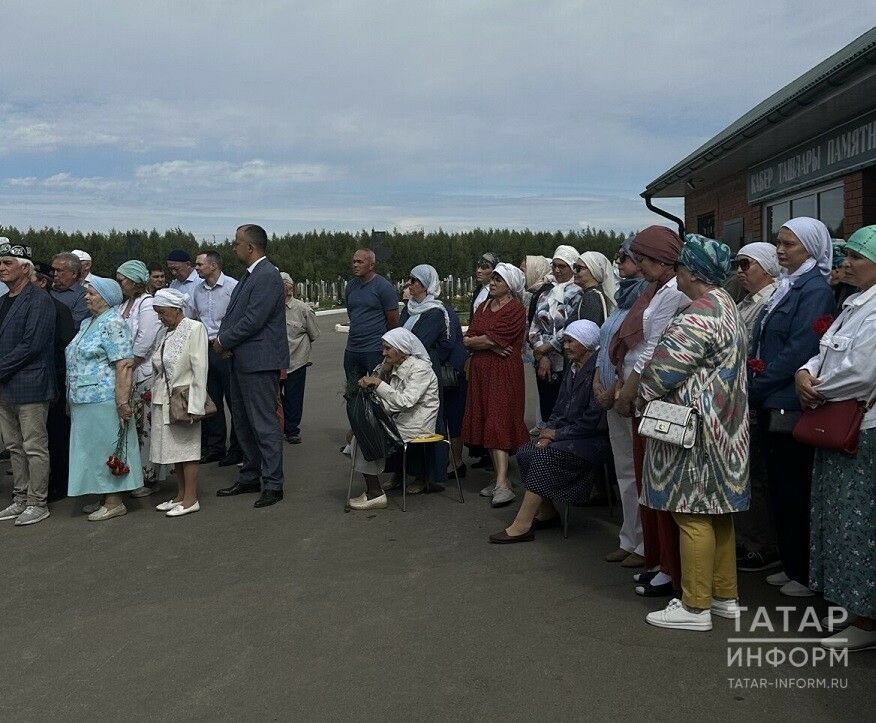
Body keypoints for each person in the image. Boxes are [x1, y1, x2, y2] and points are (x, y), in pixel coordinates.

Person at [638, 235, 750, 632]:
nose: (677, 275)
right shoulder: (729, 307)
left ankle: (695, 605)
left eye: (681, 269)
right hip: (726, 426)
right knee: (718, 513)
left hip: (695, 429)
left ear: (691, 272)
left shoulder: (697, 315)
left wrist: (641, 397)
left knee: (690, 513)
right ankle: (724, 596)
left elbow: (662, 371)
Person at [795, 225, 876, 651]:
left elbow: (863, 373)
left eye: (857, 257)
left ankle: (866, 621)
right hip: (839, 427)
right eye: (846, 256)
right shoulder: (853, 305)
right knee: (840, 522)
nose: (847, 264)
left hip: (862, 433)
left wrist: (816, 389)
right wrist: (805, 372)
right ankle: (854, 608)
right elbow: (824, 350)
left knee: (859, 526)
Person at [749, 217, 836, 597]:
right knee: (778, 486)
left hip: (788, 403)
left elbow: (799, 349)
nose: (781, 250)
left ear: (811, 249)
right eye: (779, 243)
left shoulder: (815, 290)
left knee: (793, 486)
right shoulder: (790, 286)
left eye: (789, 244)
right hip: (772, 398)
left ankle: (803, 571)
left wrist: (755, 386)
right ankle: (790, 562)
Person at [612, 225, 689, 597]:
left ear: (662, 259)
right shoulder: (655, 289)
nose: (638, 266)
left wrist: (629, 389)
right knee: (647, 482)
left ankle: (671, 566)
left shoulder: (675, 293)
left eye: (642, 259)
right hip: (642, 395)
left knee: (661, 482)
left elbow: (655, 348)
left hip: (656, 396)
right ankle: (657, 560)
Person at [489, 320, 610, 543]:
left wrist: (555, 435)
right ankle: (547, 512)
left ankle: (522, 524)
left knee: (544, 456)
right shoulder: (573, 369)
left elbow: (593, 420)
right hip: (567, 433)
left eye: (570, 341)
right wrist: (548, 430)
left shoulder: (597, 372)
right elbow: (559, 407)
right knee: (526, 450)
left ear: (586, 344)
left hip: (591, 439)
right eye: (564, 341)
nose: (565, 346)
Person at [214, 224, 289, 508]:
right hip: (242, 360)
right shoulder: (250, 276)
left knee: (263, 424)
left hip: (258, 362)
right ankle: (250, 475)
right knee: (243, 424)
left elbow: (254, 319)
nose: (233, 247)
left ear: (251, 247)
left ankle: (273, 483)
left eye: (236, 243)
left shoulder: (268, 275)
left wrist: (223, 341)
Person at [66, 277, 143, 521]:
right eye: (86, 293)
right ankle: (102, 494)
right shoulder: (88, 322)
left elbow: (124, 364)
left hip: (104, 397)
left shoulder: (113, 323)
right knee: (91, 449)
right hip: (83, 398)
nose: (87, 297)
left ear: (107, 298)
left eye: (92, 293)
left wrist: (122, 402)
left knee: (108, 446)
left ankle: (114, 500)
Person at [594, 236, 649, 567]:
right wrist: (597, 383)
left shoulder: (647, 301)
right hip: (609, 395)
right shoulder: (621, 302)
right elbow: (605, 347)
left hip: (628, 396)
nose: (619, 263)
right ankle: (629, 537)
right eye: (618, 258)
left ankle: (643, 543)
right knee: (624, 471)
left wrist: (616, 388)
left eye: (625, 258)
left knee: (638, 471)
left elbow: (640, 353)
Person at [347, 328, 440, 510]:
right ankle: (374, 490)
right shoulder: (395, 367)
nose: (383, 353)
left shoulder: (420, 370)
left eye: (388, 349)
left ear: (402, 349)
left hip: (417, 425)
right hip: (399, 421)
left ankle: (375, 493)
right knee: (359, 436)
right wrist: (382, 374)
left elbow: (405, 401)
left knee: (364, 439)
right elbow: (385, 402)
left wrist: (379, 383)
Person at [463, 262, 529, 507]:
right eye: (492, 279)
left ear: (509, 285)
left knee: (498, 420)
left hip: (503, 373)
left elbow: (493, 337)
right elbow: (468, 338)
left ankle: (503, 483)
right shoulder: (483, 306)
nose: (492, 283)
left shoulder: (515, 309)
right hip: (482, 372)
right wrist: (488, 343)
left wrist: (485, 341)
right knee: (486, 419)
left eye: (498, 280)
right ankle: (498, 476)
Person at [732, 242, 781, 573]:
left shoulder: (771, 301)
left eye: (745, 264)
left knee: (756, 474)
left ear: (765, 267)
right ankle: (748, 537)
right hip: (739, 395)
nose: (739, 270)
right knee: (743, 472)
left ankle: (762, 545)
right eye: (737, 264)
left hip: (757, 396)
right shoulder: (745, 301)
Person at [0, 243, 56, 526]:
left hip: (30, 383)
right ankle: (20, 498)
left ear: (25, 267)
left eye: (7, 262)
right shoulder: (4, 299)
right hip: (6, 385)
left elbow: (31, 345)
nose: (1, 267)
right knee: (13, 445)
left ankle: (37, 502)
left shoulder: (39, 299)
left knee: (34, 445)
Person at [149, 289, 210, 517]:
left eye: (162, 312)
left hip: (184, 399)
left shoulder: (194, 328)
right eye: (157, 313)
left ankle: (191, 498)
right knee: (173, 450)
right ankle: (180, 495)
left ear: (176, 309)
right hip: (163, 399)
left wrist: (196, 404)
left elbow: (200, 368)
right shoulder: (165, 332)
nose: (159, 317)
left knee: (187, 449)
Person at [399, 264, 451, 492]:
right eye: (410, 279)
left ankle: (426, 476)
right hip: (402, 370)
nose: (410, 284)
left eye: (415, 281)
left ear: (427, 286)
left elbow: (418, 342)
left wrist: (399, 350)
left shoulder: (435, 313)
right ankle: (401, 472)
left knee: (424, 420)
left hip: (424, 371)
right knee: (401, 418)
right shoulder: (408, 310)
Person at [115, 260, 164, 496]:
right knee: (130, 425)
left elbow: (146, 337)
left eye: (122, 280)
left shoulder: (147, 304)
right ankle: (131, 472)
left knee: (144, 424)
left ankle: (146, 474)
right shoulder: (124, 304)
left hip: (142, 372)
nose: (119, 284)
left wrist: (128, 362)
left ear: (134, 281)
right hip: (126, 371)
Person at [31, 262, 76, 502]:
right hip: (30, 381)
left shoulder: (59, 309)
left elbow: (65, 347)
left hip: (54, 379)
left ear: (42, 282)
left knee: (57, 435)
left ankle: (60, 483)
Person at [191, 250, 241, 464]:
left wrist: (228, 344)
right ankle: (215, 447)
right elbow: (194, 316)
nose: (196, 268)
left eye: (199, 264)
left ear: (213, 266)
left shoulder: (232, 286)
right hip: (205, 348)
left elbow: (240, 319)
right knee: (211, 400)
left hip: (227, 349)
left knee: (234, 400)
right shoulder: (198, 290)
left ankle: (237, 449)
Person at [528, 245, 578, 428]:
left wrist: (546, 348)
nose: (557, 270)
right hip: (544, 363)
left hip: (567, 361)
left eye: (562, 266)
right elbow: (534, 328)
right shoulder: (546, 294)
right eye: (554, 265)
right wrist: (542, 356)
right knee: (548, 410)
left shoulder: (577, 294)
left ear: (573, 267)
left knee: (564, 412)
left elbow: (572, 327)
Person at [343, 248, 399, 383]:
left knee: (378, 392)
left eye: (360, 262)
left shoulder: (383, 287)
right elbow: (352, 314)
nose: (355, 265)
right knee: (353, 393)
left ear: (371, 265)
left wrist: (387, 348)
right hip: (353, 348)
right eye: (354, 261)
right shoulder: (351, 286)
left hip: (375, 349)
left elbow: (393, 321)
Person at [280, 271, 320, 445]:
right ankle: (279, 426)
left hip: (296, 360)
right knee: (274, 397)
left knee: (294, 397)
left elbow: (313, 334)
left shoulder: (302, 309)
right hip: (275, 362)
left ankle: (292, 430)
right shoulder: (270, 307)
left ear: (289, 289)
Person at [566, 251, 617, 326]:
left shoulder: (591, 298)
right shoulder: (593, 294)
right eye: (574, 266)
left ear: (594, 272)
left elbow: (586, 333)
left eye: (578, 268)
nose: (574, 271)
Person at [51, 252, 88, 329]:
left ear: (74, 273)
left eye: (59, 270)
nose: (54, 274)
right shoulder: (46, 289)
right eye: (53, 270)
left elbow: (74, 325)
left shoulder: (83, 295)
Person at [166, 250, 198, 318]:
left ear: (188, 264)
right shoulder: (173, 284)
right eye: (170, 269)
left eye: (176, 269)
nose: (173, 273)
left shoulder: (200, 282)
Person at [470, 251, 500, 318]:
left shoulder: (498, 292)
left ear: (494, 270)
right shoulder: (477, 291)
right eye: (478, 267)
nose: (478, 271)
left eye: (484, 267)